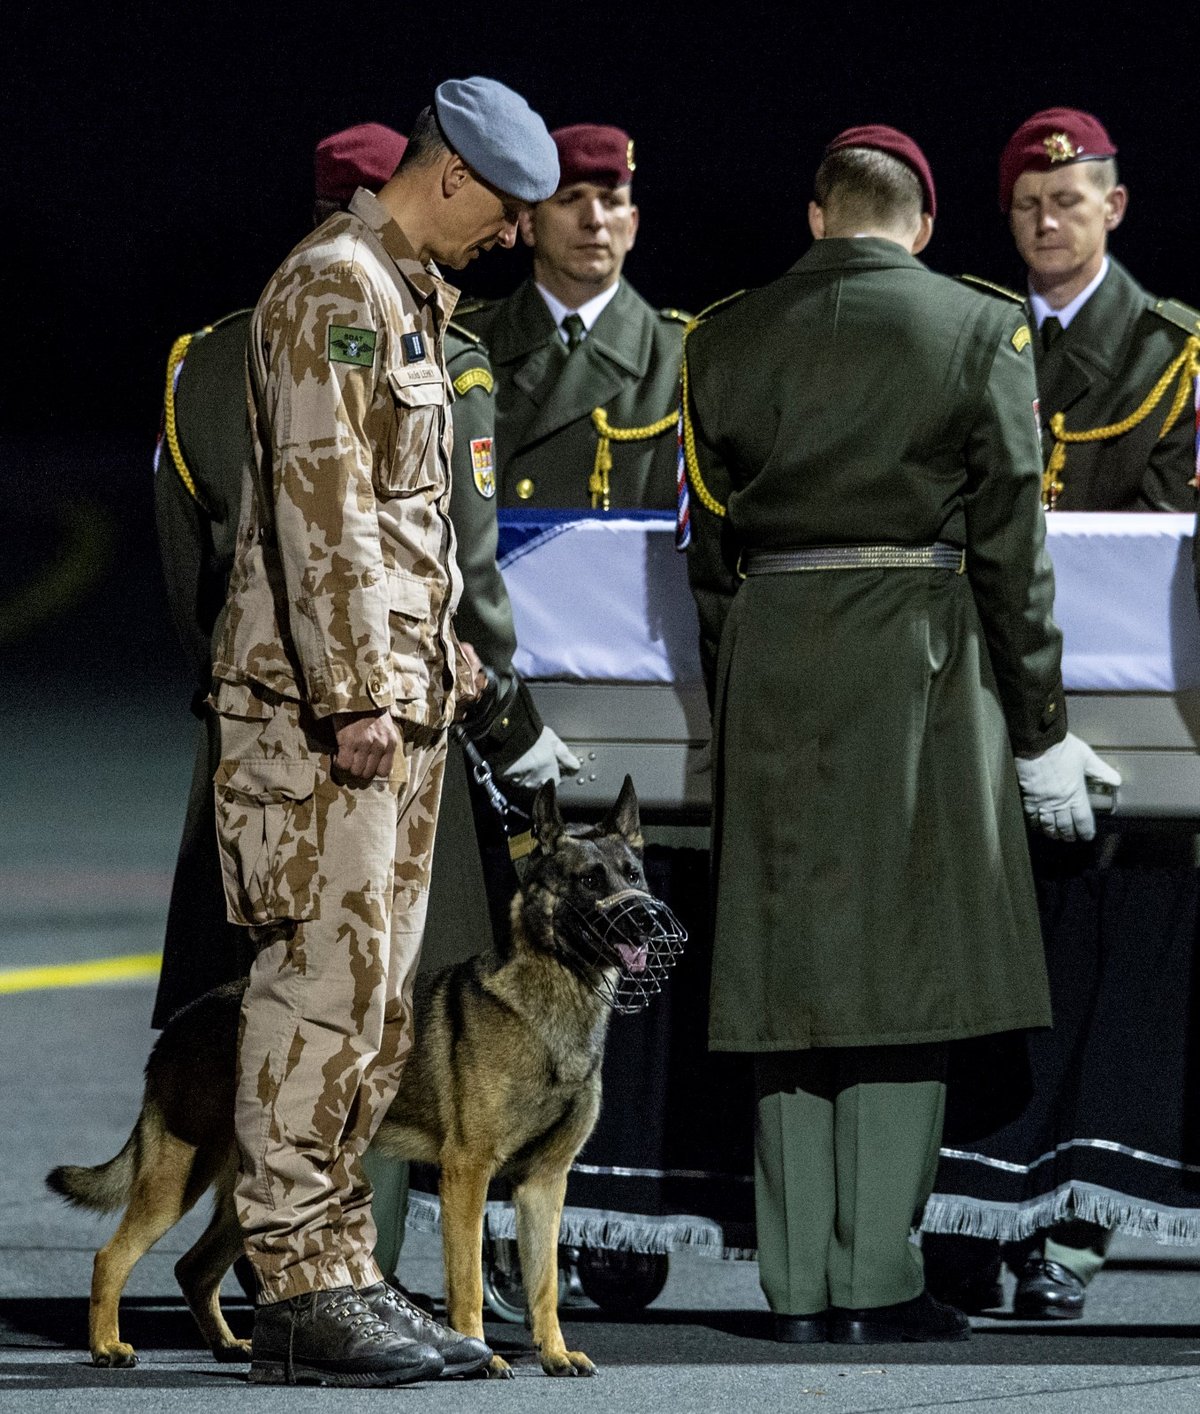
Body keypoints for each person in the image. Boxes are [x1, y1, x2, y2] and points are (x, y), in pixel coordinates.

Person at [682, 123, 1118, 1345]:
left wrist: (743, 671)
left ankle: (797, 1287)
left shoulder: (720, 336)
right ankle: (874, 1273)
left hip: (772, 653)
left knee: (785, 968)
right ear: (923, 227)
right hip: (914, 660)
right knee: (900, 962)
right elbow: (1013, 558)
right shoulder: (979, 327)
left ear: (817, 216)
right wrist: (1039, 725)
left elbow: (707, 547)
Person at [208, 79, 558, 1386]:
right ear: (455, 173)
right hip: (323, 721)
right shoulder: (337, 289)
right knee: (314, 996)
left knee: (372, 1013)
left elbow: (400, 523)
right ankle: (298, 1282)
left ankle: (342, 1263)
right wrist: (356, 688)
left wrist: (444, 649)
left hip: (397, 703)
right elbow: (319, 502)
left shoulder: (405, 297)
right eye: (510, 210)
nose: (514, 237)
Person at [924, 107, 1200, 1321]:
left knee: (1120, 971)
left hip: (1131, 717)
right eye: (1031, 204)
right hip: (992, 706)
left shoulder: (1171, 349)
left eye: (1071, 200)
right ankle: (977, 1210)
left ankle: (1075, 1233)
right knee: (1004, 963)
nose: (1048, 219)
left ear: (1115, 208)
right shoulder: (976, 333)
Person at [151, 122, 409, 1029]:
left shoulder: (207, 361)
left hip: (246, 711)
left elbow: (191, 575)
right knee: (356, 1006)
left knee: (243, 1000)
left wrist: (234, 677)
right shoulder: (425, 343)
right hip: (380, 717)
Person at [456, 123, 689, 509]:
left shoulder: (682, 356)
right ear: (528, 223)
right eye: (570, 199)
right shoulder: (467, 340)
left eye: (611, 201)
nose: (594, 220)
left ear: (631, 227)